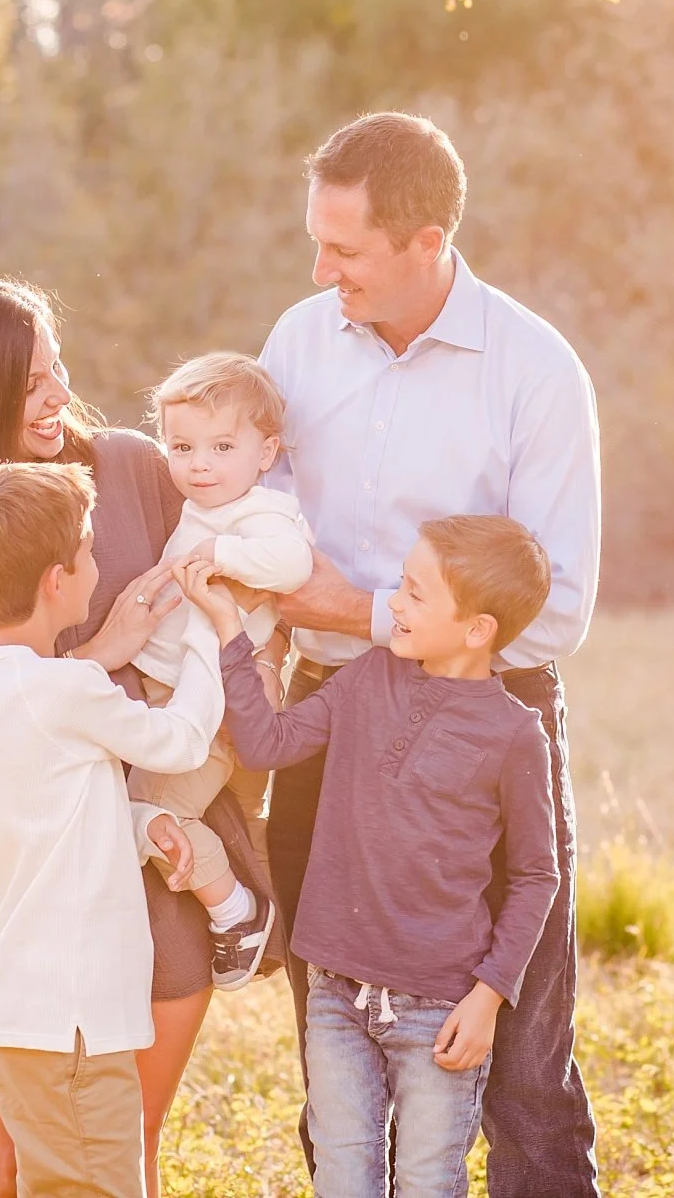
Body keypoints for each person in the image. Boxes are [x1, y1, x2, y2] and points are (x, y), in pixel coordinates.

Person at [0, 276, 282, 1198]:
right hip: (36, 873)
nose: (59, 396)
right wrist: (96, 657)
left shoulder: (126, 468)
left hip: (158, 846)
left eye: (58, 369)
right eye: (30, 383)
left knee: (129, 1145)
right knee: (13, 1160)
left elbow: (242, 552)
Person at [260, 112, 604, 1196]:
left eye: (345, 250)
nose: (322, 273)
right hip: (328, 713)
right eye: (317, 243)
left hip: (487, 721)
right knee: (336, 1045)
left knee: (521, 1057)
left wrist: (362, 612)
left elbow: (557, 609)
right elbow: (261, 516)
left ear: (427, 240)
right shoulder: (299, 341)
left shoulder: (535, 372)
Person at [176, 515, 559, 1198]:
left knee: (426, 1183)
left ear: (477, 629)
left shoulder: (514, 734)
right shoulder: (367, 677)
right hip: (335, 993)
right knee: (343, 1181)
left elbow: (537, 875)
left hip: (440, 1007)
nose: (394, 602)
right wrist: (231, 631)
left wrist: (489, 995)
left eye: (414, 593)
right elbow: (266, 744)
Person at [0, 460, 217, 1197]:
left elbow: (50, 817)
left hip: (30, 1013)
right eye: (90, 551)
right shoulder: (68, 687)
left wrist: (142, 823)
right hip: (74, 1022)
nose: (99, 563)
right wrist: (212, 638)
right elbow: (183, 741)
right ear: (57, 581)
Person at [128, 352, 309, 989]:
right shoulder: (206, 506)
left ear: (267, 452)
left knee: (147, 814)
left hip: (210, 709)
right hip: (179, 689)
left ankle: (237, 913)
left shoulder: (260, 513)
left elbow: (292, 564)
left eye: (222, 447)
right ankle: (267, 909)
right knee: (234, 816)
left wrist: (220, 553)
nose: (199, 464)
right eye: (182, 447)